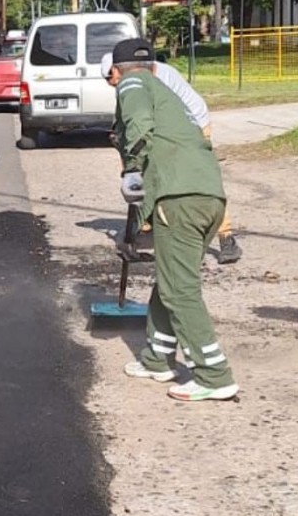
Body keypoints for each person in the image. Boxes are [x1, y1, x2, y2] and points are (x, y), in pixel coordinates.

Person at [110, 38, 238, 402]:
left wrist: (132, 171)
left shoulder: (132, 84)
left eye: (112, 76)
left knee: (180, 291)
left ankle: (214, 374)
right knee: (171, 279)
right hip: (208, 196)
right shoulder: (166, 90)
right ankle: (157, 358)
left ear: (117, 72)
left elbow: (139, 124)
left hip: (178, 198)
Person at [100, 52, 242, 263]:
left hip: (193, 126)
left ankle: (226, 237)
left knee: (195, 181)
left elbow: (146, 121)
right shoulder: (142, 75)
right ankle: (149, 227)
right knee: (154, 175)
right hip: (174, 127)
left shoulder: (151, 78)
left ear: (115, 70)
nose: (113, 85)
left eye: (110, 80)